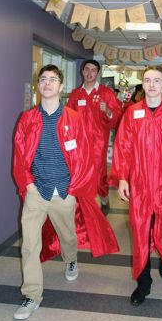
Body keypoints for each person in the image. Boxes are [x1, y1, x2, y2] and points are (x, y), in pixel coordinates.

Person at [13, 64, 119, 321]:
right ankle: (32, 295)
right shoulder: (27, 120)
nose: (47, 83)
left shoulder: (73, 118)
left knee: (68, 235)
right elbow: (19, 156)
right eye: (43, 79)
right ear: (39, 86)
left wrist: (73, 190)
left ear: (61, 87)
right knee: (29, 245)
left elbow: (84, 158)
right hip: (37, 191)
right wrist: (27, 183)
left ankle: (70, 258)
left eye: (53, 80)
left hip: (63, 190)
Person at [109, 65, 162, 306]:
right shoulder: (133, 113)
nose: (152, 85)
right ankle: (143, 282)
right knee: (141, 232)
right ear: (143, 84)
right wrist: (123, 177)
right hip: (141, 185)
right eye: (147, 80)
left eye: (157, 80)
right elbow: (123, 147)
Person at [67, 59, 122, 214]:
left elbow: (116, 115)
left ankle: (104, 198)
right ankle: (83, 206)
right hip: (79, 142)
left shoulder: (106, 93)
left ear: (97, 73)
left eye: (93, 70)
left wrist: (108, 111)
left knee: (99, 173)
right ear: (82, 72)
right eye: (87, 69)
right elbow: (68, 118)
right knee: (79, 172)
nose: (89, 73)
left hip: (98, 141)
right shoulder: (76, 94)